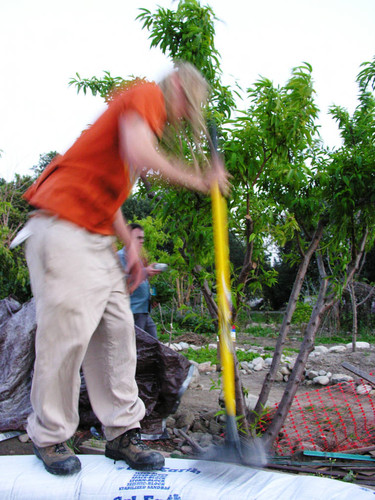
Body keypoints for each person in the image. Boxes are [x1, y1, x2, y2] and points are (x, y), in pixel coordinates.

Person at [21, 61, 229, 476]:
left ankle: (121, 433)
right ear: (181, 94)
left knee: (117, 333)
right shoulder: (147, 97)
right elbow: (140, 152)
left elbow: (109, 194)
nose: (188, 119)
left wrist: (127, 247)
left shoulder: (142, 119)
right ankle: (50, 435)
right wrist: (201, 178)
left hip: (95, 235)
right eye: (193, 108)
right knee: (67, 336)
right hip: (62, 226)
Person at [117, 223, 160, 339]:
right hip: (133, 311)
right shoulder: (121, 256)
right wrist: (146, 271)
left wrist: (150, 299)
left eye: (143, 238)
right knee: (139, 346)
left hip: (143, 309)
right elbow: (122, 282)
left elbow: (139, 279)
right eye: (138, 238)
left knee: (152, 343)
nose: (142, 241)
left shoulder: (136, 258)